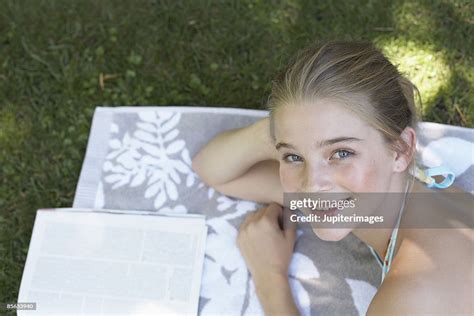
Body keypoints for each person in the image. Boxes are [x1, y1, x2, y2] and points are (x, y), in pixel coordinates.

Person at [191, 40, 472, 315]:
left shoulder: (414, 297)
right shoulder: (387, 196)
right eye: (293, 157)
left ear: (400, 150)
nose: (312, 184)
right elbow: (213, 169)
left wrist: (269, 278)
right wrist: (285, 129)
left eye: (341, 153)